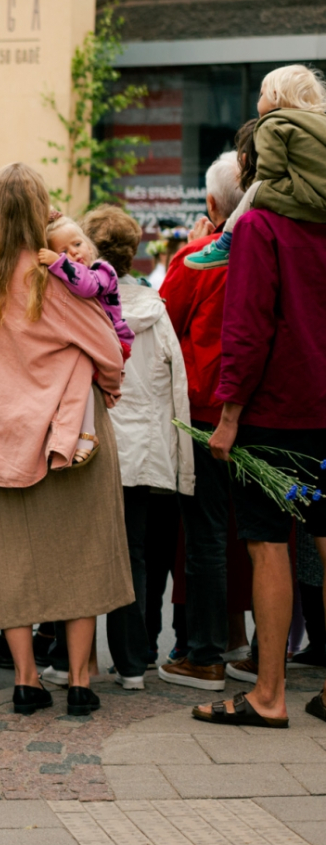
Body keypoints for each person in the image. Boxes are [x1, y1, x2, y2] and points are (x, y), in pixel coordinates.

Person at [0, 162, 131, 718]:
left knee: (13, 562)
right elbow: (108, 350)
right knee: (84, 556)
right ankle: (78, 681)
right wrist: (107, 387)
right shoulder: (55, 273)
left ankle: (25, 681)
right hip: (72, 438)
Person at [200, 102, 326, 729]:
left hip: (276, 418)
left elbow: (247, 332)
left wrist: (228, 417)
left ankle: (268, 693)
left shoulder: (261, 228)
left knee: (269, 545)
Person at [85, 205, 194, 692]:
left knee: (87, 552)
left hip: (97, 448)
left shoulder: (86, 308)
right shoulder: (157, 310)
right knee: (137, 554)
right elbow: (178, 388)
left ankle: (76, 659)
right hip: (149, 450)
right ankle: (135, 661)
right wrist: (181, 465)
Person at [157, 145, 248, 693]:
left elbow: (166, 323)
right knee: (262, 537)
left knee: (207, 534)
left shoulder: (200, 257)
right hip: (264, 410)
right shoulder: (279, 247)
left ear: (213, 203)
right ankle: (256, 648)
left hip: (206, 411)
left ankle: (206, 654)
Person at [185, 64, 326, 271]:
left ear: (275, 96)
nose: (258, 100)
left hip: (306, 198)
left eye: (261, 94)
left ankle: (225, 243)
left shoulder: (272, 123)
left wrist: (259, 186)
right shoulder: (319, 123)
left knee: (256, 190)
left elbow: (271, 172)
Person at [39, 214, 134, 466]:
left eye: (77, 244)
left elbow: (87, 287)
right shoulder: (69, 275)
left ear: (88, 244)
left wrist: (58, 261)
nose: (73, 252)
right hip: (91, 340)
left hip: (114, 341)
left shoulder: (103, 272)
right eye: (64, 250)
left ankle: (87, 434)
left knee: (80, 374)